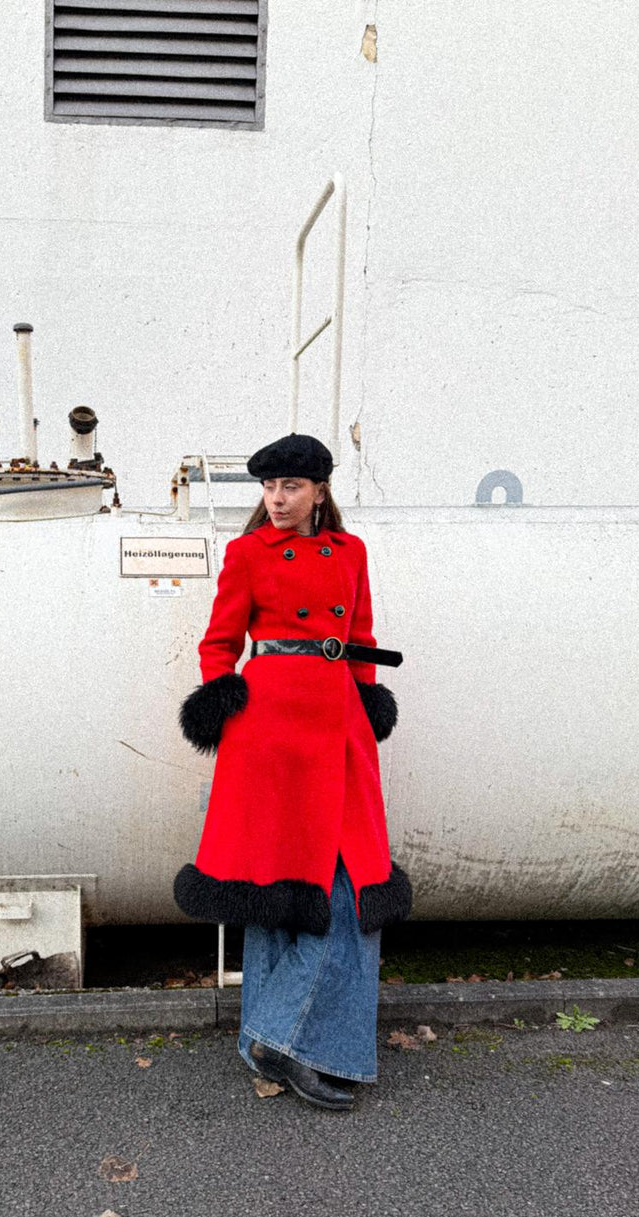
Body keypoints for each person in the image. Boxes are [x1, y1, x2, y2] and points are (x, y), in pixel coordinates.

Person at [173, 433, 412, 1112]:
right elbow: (220, 641)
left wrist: (366, 703)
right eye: (269, 487)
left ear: (319, 491)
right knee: (273, 887)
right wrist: (223, 698)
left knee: (345, 890)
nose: (276, 500)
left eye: (290, 487)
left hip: (338, 722)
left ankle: (278, 1039)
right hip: (270, 730)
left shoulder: (351, 552)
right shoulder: (246, 553)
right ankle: (278, 1042)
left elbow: (360, 637)